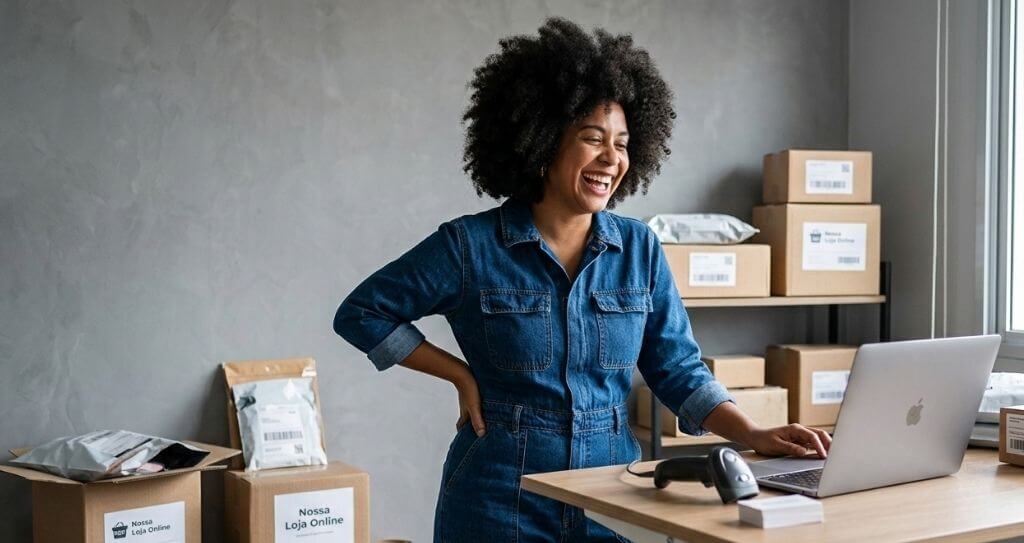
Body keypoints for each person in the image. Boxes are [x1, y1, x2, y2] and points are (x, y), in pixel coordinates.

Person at [334, 18, 831, 542]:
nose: (611, 159)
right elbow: (362, 312)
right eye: (592, 139)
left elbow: (677, 369)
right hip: (499, 501)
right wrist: (460, 375)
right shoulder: (470, 246)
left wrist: (752, 433)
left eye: (621, 143)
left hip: (613, 495)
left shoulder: (639, 249)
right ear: (543, 141)